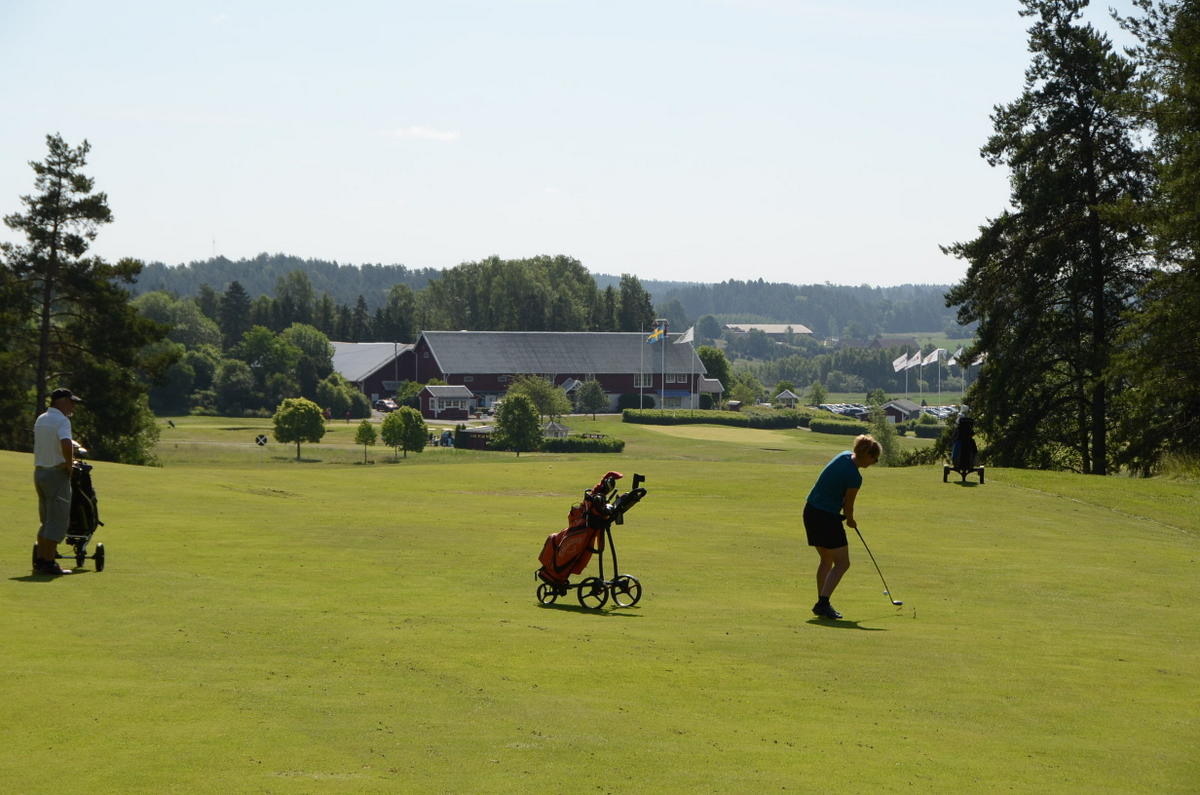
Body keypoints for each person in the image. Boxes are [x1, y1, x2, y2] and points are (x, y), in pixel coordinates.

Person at [803, 433, 882, 619]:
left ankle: (822, 602)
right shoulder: (855, 477)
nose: (874, 462)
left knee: (826, 560)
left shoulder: (843, 455)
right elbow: (849, 505)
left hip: (810, 512)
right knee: (842, 563)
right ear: (867, 455)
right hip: (826, 518)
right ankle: (823, 603)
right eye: (874, 459)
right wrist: (850, 520)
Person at [32, 388, 84, 575]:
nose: (73, 406)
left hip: (40, 473)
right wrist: (70, 465)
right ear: (61, 401)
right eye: (71, 402)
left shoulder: (42, 418)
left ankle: (40, 560)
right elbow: (66, 443)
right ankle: (48, 561)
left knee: (46, 520)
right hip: (56, 474)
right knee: (57, 521)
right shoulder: (61, 420)